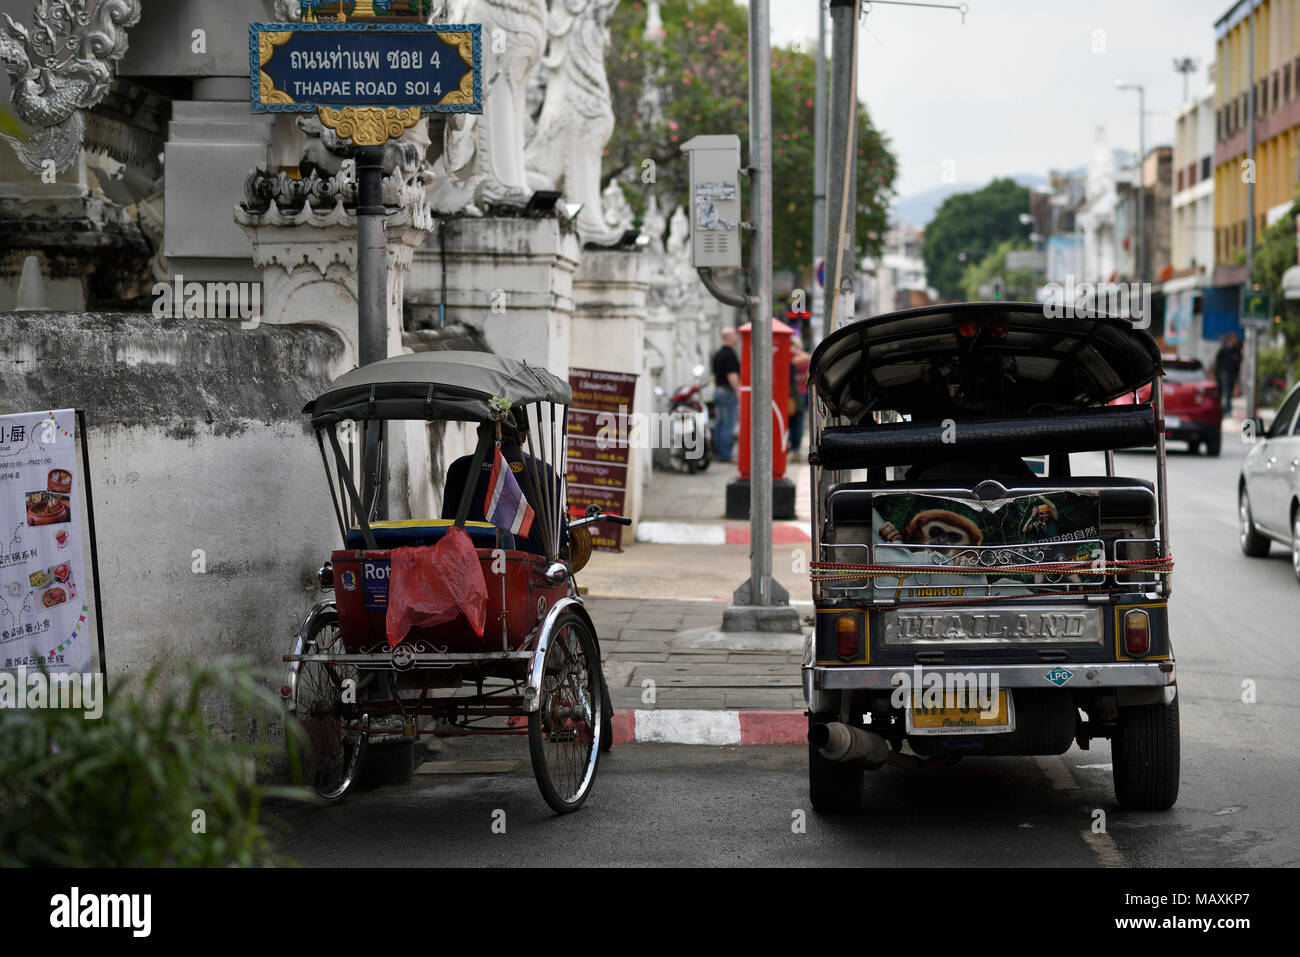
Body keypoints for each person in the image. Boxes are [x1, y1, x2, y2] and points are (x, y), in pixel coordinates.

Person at [441, 414, 562, 555]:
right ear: (523, 437)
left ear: (480, 433)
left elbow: (447, 526)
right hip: (530, 567)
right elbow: (559, 538)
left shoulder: (459, 468)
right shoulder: (544, 472)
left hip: (471, 564)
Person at [711, 328, 741, 462]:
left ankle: (718, 452)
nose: (737, 338)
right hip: (728, 392)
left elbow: (715, 375)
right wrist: (738, 391)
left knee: (720, 423)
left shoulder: (718, 354)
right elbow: (732, 375)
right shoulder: (730, 354)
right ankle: (725, 455)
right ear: (729, 337)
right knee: (728, 424)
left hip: (718, 390)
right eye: (735, 335)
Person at [787, 337, 811, 460]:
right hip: (796, 392)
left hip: (797, 392)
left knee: (794, 421)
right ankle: (793, 448)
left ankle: (793, 448)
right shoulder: (792, 358)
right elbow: (808, 358)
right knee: (796, 421)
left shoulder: (793, 357)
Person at [1214, 333, 1243, 415]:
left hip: (1233, 374)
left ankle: (1227, 409)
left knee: (1229, 392)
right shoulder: (1224, 350)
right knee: (1226, 392)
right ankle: (1226, 409)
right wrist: (1218, 374)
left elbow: (1239, 360)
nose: (1235, 340)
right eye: (1233, 339)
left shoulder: (1236, 350)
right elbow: (1218, 363)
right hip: (1225, 374)